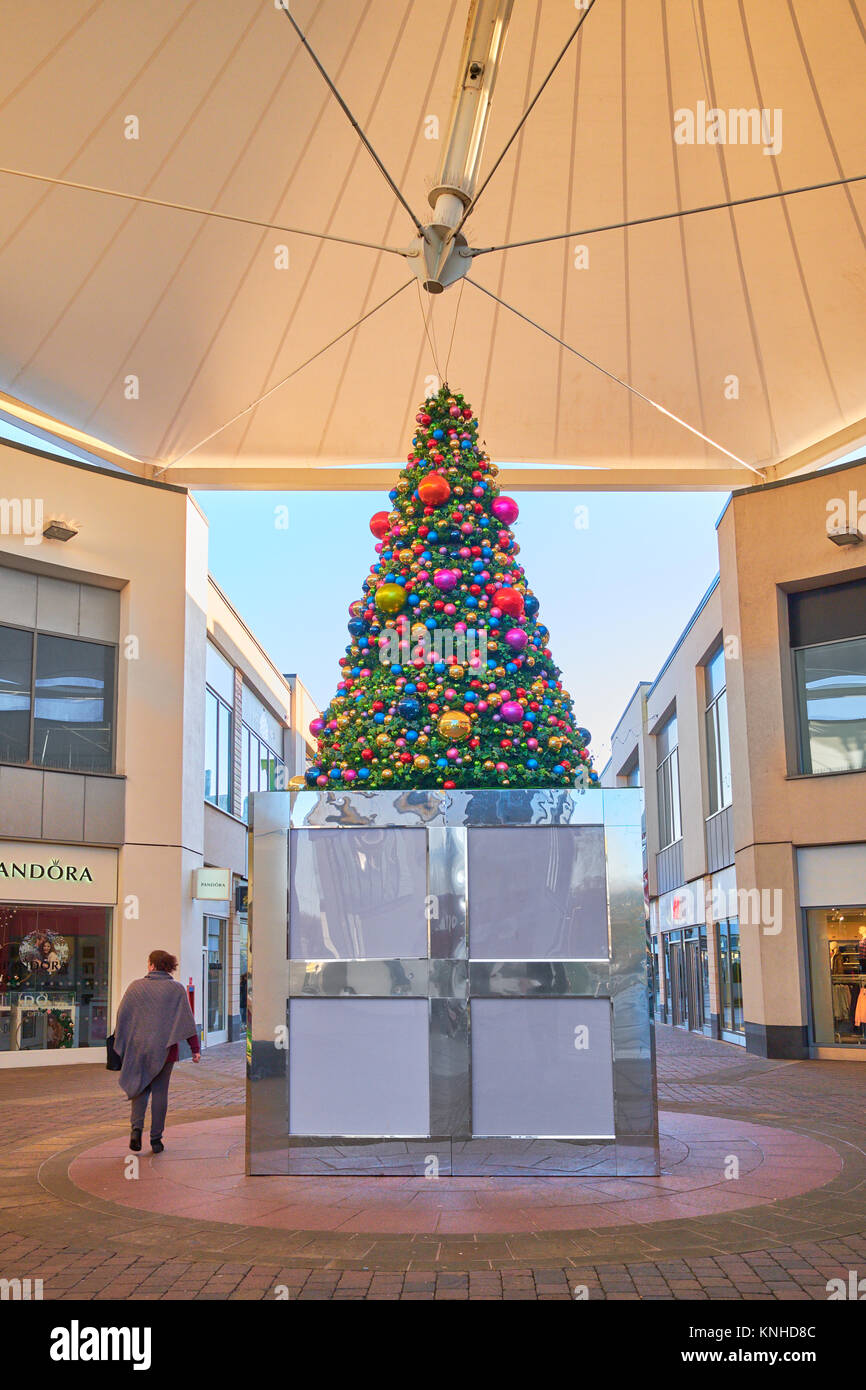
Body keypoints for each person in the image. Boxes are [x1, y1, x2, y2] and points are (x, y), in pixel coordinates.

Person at [113, 949, 200, 1153]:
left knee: (140, 1089)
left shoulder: (135, 987)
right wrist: (195, 1049)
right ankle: (156, 1139)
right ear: (168, 967)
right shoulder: (176, 989)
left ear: (152, 965)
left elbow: (122, 1016)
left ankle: (136, 1131)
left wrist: (122, 1042)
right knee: (160, 1093)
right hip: (166, 1050)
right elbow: (187, 1021)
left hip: (137, 1049)